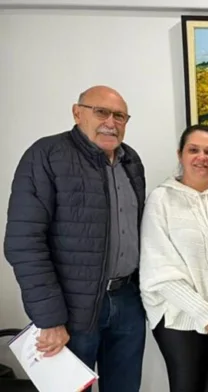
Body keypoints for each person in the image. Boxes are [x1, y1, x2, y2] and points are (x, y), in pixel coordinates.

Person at [3, 85, 146, 392]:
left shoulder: (130, 160)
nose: (111, 121)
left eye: (120, 115)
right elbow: (23, 241)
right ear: (77, 112)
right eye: (101, 112)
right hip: (71, 309)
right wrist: (49, 318)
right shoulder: (46, 155)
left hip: (127, 301)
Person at [138, 124, 208, 392]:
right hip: (178, 316)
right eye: (194, 150)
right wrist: (203, 312)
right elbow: (158, 270)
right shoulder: (160, 200)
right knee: (186, 386)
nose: (202, 157)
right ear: (180, 155)